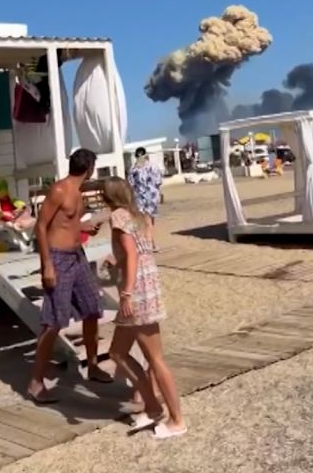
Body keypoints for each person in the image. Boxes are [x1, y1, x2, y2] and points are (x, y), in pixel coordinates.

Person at [102, 177, 187, 439]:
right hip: (147, 287)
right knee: (117, 352)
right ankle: (152, 407)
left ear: (108, 196)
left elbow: (133, 253)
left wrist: (125, 293)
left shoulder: (117, 216)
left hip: (137, 293)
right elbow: (140, 250)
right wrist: (115, 261)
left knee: (155, 359)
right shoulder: (139, 216)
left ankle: (177, 420)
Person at [27, 149, 112, 404]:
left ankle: (93, 366)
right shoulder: (60, 190)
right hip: (59, 259)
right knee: (53, 322)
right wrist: (47, 265)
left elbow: (67, 223)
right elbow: (41, 226)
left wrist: (86, 227)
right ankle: (36, 382)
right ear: (91, 168)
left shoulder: (77, 192)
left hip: (78, 257)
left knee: (92, 310)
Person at [127, 146, 163, 251]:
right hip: (151, 197)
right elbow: (158, 182)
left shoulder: (133, 169)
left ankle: (152, 244)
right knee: (150, 223)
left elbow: (130, 185)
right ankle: (149, 245)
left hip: (139, 198)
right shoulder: (152, 166)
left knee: (147, 223)